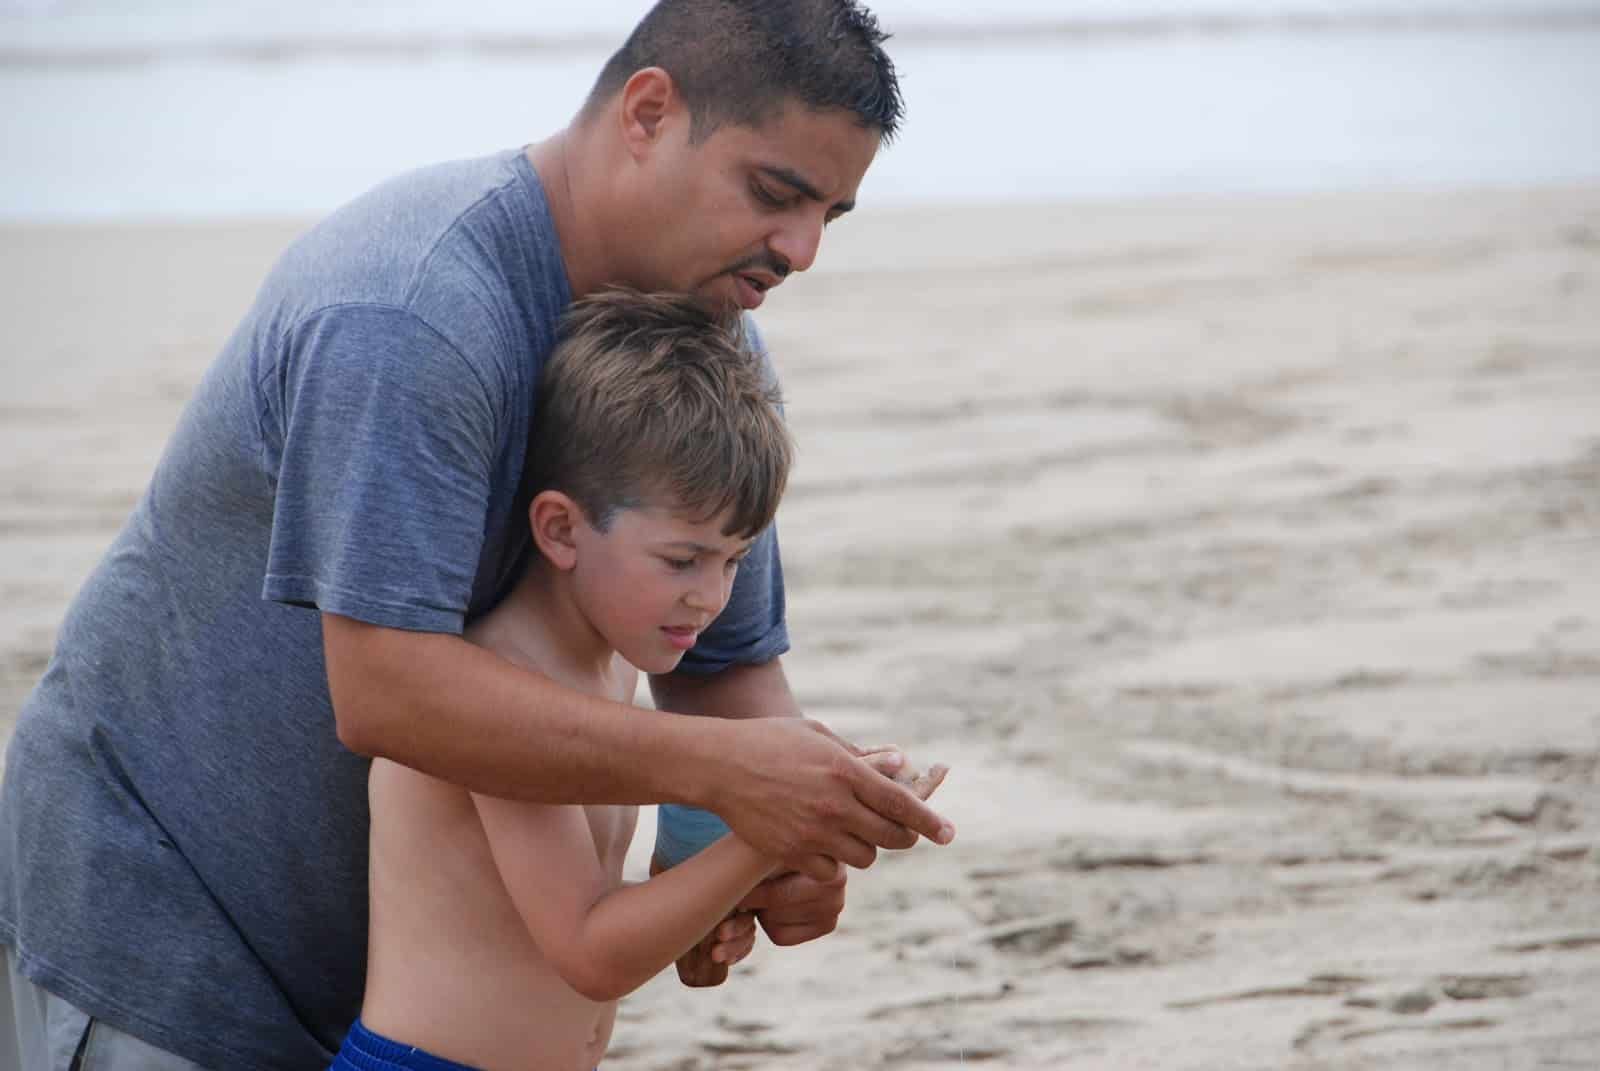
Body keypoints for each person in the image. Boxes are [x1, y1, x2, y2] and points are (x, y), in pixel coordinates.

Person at [0, 2, 954, 1069]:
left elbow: (725, 679)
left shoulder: (709, 351)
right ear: (647, 113)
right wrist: (736, 781)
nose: (802, 250)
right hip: (162, 917)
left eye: (832, 212)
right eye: (776, 195)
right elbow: (388, 692)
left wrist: (773, 849)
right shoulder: (411, 310)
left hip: (399, 987)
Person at [334, 288, 947, 1071]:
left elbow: (607, 909)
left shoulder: (617, 655)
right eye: (681, 559)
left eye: (733, 560)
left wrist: (703, 900)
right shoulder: (502, 686)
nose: (711, 596)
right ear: (560, 528)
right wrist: (766, 834)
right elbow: (589, 950)